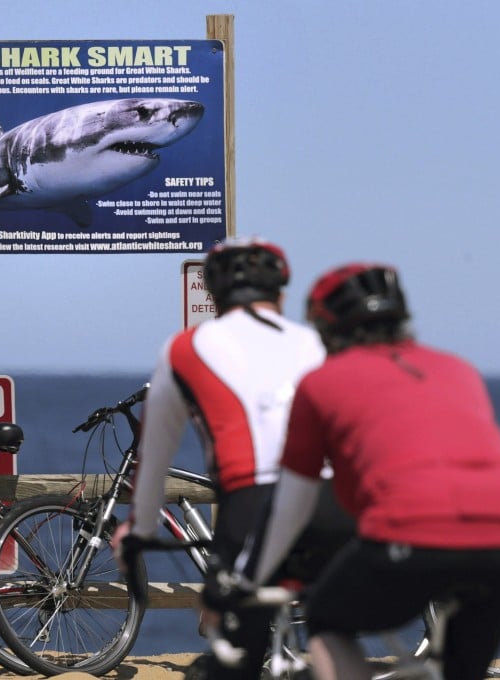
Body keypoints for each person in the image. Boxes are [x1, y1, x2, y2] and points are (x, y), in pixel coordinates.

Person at [225, 263, 500, 680]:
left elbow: (291, 503)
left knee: (326, 618)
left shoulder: (322, 383)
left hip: (412, 529)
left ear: (327, 327)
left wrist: (247, 581)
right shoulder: (457, 369)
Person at [118, 238, 351, 680]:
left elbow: (154, 454)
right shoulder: (316, 343)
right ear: (281, 295)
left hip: (255, 504)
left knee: (231, 643)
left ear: (215, 296)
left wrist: (139, 530)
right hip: (335, 502)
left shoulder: (186, 348)